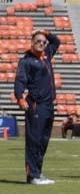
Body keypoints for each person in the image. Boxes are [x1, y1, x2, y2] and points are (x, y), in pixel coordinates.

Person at [14, 30, 60, 185]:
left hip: (48, 106)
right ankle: (32, 175)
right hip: (36, 105)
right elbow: (20, 80)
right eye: (38, 41)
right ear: (31, 42)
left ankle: (38, 173)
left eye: (43, 41)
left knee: (43, 141)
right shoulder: (26, 61)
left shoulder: (46, 54)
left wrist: (46, 33)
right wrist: (20, 97)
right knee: (34, 141)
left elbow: (56, 42)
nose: (42, 43)